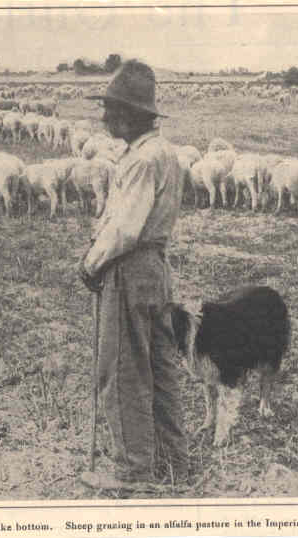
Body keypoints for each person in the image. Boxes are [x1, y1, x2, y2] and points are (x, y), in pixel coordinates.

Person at [78, 60, 189, 490]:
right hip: (157, 269)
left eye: (109, 110)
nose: (104, 118)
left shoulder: (142, 161)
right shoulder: (166, 155)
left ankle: (132, 468)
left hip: (130, 267)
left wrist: (91, 262)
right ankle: (173, 461)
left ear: (128, 114)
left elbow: (125, 228)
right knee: (160, 365)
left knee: (123, 368)